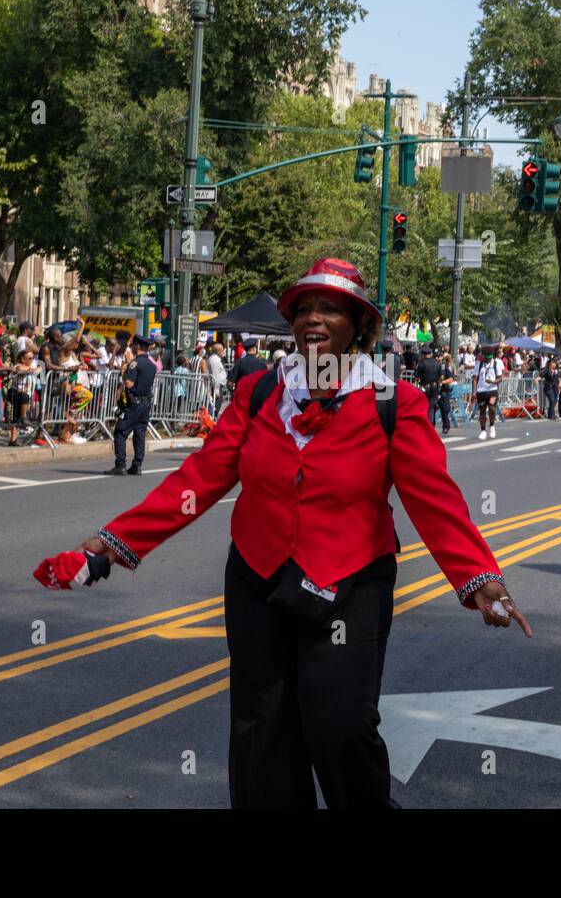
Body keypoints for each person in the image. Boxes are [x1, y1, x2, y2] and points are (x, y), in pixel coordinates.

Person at [50, 257, 530, 809]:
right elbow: (198, 480)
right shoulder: (259, 394)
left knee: (340, 725)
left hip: (351, 585)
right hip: (257, 579)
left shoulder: (392, 401)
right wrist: (115, 542)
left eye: (330, 309)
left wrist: (478, 577)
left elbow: (435, 500)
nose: (314, 319)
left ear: (359, 326)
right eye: (304, 309)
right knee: (263, 731)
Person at [104, 336, 157, 475]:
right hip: (145, 404)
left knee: (120, 432)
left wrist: (125, 373)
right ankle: (137, 465)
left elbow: (129, 384)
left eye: (134, 345)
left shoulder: (134, 364)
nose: (132, 347)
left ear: (138, 347)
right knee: (139, 434)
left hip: (133, 404)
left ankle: (120, 464)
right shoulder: (152, 365)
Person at [472, 346, 503, 440]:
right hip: (481, 391)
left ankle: (492, 426)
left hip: (492, 390)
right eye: (486, 358)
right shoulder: (479, 365)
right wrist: (474, 391)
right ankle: (483, 430)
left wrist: (493, 382)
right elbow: (474, 378)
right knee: (482, 411)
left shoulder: (496, 363)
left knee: (492, 407)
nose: (488, 359)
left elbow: (500, 378)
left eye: (489, 358)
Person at [414, 346, 443, 426]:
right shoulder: (437, 363)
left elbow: (416, 377)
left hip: (424, 387)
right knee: (431, 407)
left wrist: (418, 385)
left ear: (423, 354)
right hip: (435, 387)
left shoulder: (421, 363)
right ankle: (431, 425)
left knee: (423, 407)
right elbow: (441, 377)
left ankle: (426, 425)